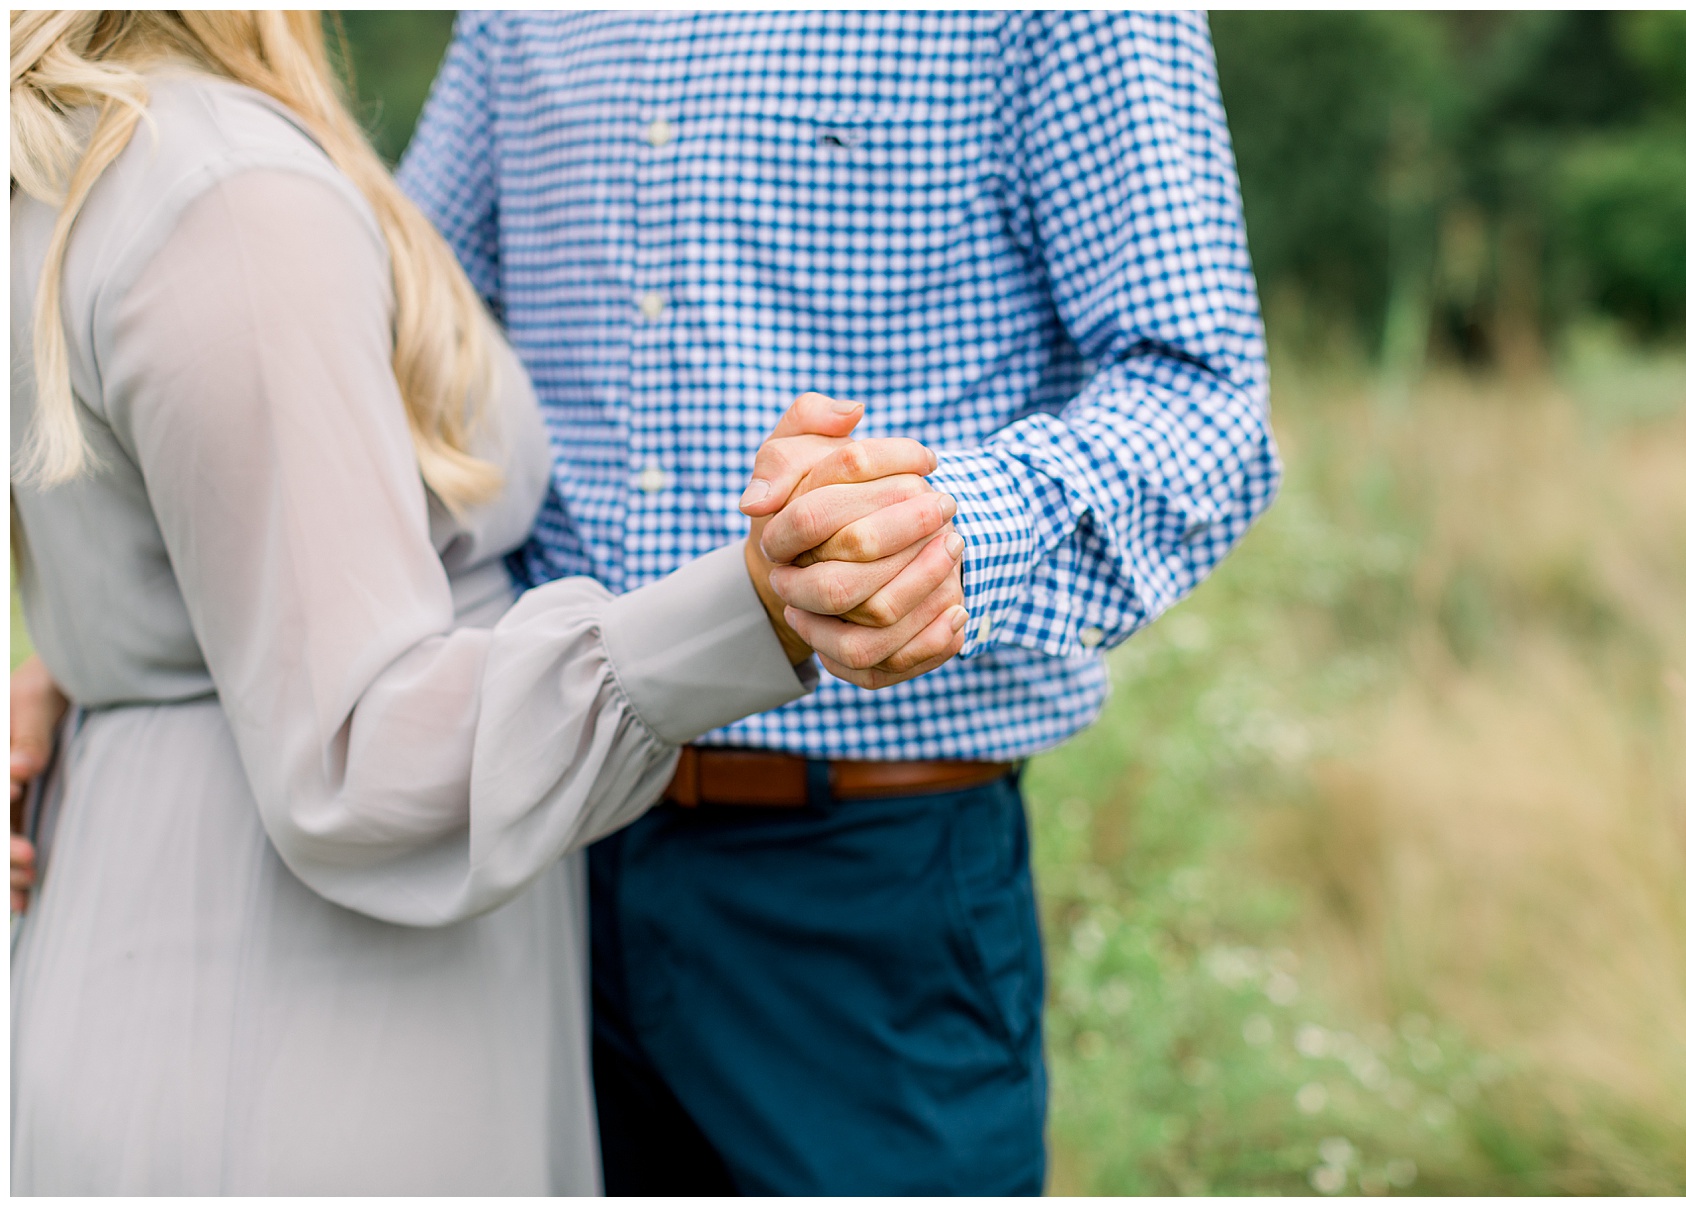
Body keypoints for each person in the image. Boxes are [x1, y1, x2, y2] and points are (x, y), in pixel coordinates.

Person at [7, 11, 965, 1195]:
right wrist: (753, 608)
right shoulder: (231, 193)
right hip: (311, 1021)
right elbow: (351, 743)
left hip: (156, 923)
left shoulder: (77, 150)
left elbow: (183, 526)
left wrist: (92, 657)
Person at [396, 10, 1283, 1195]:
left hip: (867, 900)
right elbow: (387, 340)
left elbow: (1205, 396)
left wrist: (956, 526)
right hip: (537, 862)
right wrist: (106, 661)